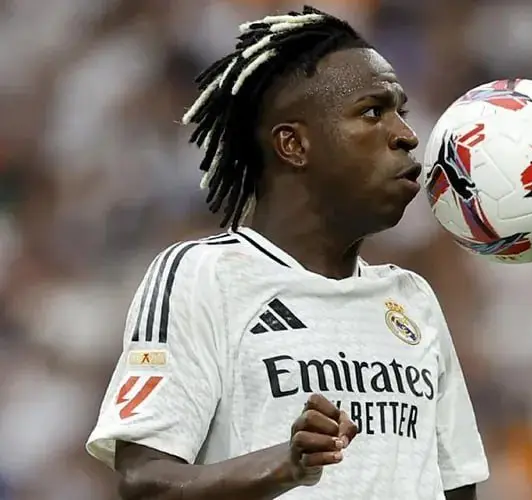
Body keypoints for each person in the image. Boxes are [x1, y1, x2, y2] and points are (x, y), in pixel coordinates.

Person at [85, 5, 489, 500]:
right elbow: (144, 481)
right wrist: (283, 466)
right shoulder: (204, 276)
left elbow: (456, 488)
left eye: (401, 113)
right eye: (373, 112)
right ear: (294, 144)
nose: (407, 135)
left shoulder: (413, 299)